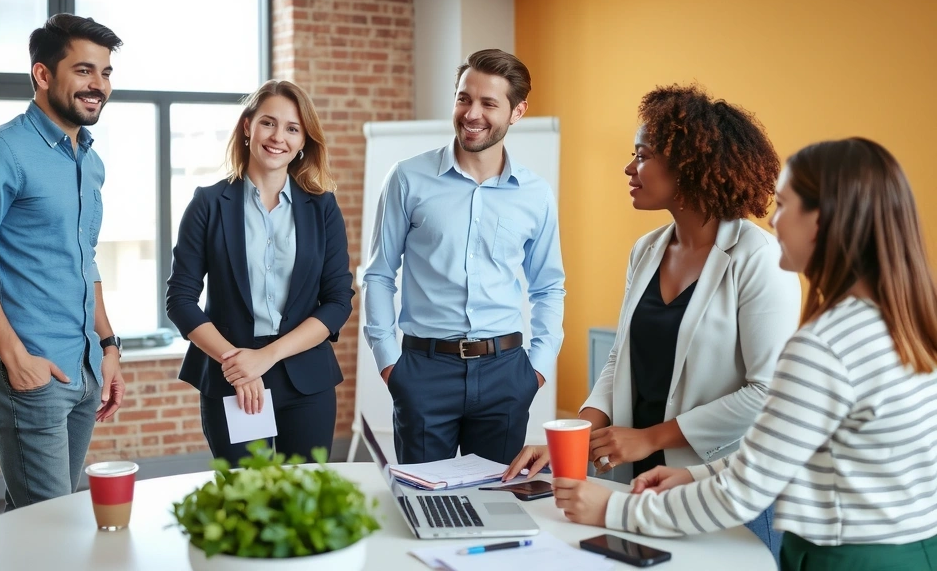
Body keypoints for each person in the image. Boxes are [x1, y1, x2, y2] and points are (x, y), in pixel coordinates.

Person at [551, 137, 937, 570]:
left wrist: (610, 509)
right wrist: (698, 475)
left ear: (822, 222)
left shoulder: (823, 347)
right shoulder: (907, 323)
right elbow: (795, 449)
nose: (773, 221)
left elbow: (744, 493)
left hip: (849, 559)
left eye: (786, 205)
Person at [504, 84, 802, 556]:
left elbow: (768, 393)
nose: (629, 168)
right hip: (637, 481)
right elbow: (620, 358)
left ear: (688, 167)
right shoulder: (645, 251)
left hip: (721, 484)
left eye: (642, 155)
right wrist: (575, 438)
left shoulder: (758, 258)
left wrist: (648, 438)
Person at [0, 14, 126, 511]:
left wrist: (107, 347)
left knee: (41, 517)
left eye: (106, 73)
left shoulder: (89, 159)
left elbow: (84, 258)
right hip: (28, 371)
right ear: (43, 75)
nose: (99, 85)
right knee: (51, 524)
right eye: (85, 71)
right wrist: (15, 358)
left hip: (82, 370)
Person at [362, 49, 566, 465]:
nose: (472, 113)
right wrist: (391, 365)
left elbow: (548, 286)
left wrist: (536, 369)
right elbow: (379, 274)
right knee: (426, 504)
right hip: (423, 371)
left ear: (517, 111)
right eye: (463, 98)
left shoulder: (535, 194)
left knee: (498, 503)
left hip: (506, 374)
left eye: (489, 103)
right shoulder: (407, 178)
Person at [166, 79, 353, 466]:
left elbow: (337, 303)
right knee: (243, 500)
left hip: (306, 380)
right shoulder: (208, 204)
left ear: (304, 141)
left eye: (292, 128)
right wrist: (238, 363)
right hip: (231, 377)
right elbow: (180, 300)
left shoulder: (322, 209)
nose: (278, 137)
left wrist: (265, 358)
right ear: (248, 126)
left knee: (304, 503)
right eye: (268, 122)